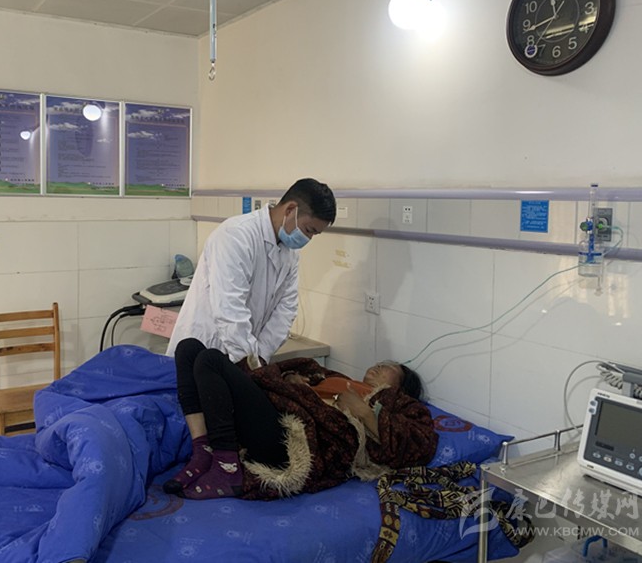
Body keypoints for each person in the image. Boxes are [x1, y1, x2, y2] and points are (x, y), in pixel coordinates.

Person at [163, 340, 438, 500]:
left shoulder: (395, 403)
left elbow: (421, 443)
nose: (379, 366)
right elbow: (296, 374)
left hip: (290, 441)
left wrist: (364, 412)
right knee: (188, 349)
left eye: (388, 368)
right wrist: (291, 380)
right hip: (275, 410)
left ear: (401, 387)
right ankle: (203, 451)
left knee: (210, 360)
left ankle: (226, 468)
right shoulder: (339, 378)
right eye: (379, 363)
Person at [165, 177, 337, 368]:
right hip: (206, 346)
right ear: (290, 210)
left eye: (314, 234)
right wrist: (250, 363)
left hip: (243, 355)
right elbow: (230, 309)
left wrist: (259, 356)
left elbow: (285, 310)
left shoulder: (290, 254)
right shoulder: (236, 236)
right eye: (308, 230)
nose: (308, 238)